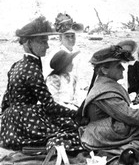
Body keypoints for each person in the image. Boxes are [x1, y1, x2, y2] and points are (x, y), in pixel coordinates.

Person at [79, 43, 139, 155]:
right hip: (105, 131)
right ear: (105, 70)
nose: (122, 68)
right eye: (118, 66)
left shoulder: (106, 84)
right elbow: (129, 115)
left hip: (113, 124)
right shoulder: (104, 92)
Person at [0, 16, 79, 151]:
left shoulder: (17, 65)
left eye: (47, 41)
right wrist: (76, 113)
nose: (47, 46)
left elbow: (6, 101)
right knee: (73, 130)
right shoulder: (32, 69)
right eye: (42, 42)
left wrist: (5, 122)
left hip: (9, 123)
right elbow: (49, 106)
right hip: (25, 122)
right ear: (28, 43)